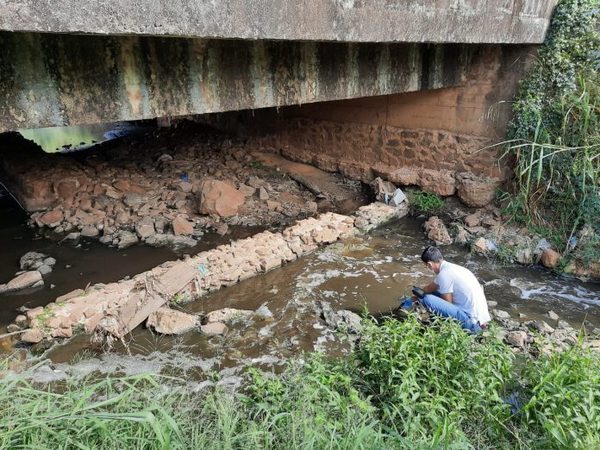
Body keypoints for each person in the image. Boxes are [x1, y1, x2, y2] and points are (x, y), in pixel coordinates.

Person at [413, 246, 491, 333]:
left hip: (472, 324)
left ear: (429, 265)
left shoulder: (444, 274)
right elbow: (430, 288)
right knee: (431, 293)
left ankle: (440, 327)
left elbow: (447, 304)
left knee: (426, 299)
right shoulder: (453, 268)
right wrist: (415, 295)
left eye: (426, 266)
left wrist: (419, 297)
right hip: (481, 319)